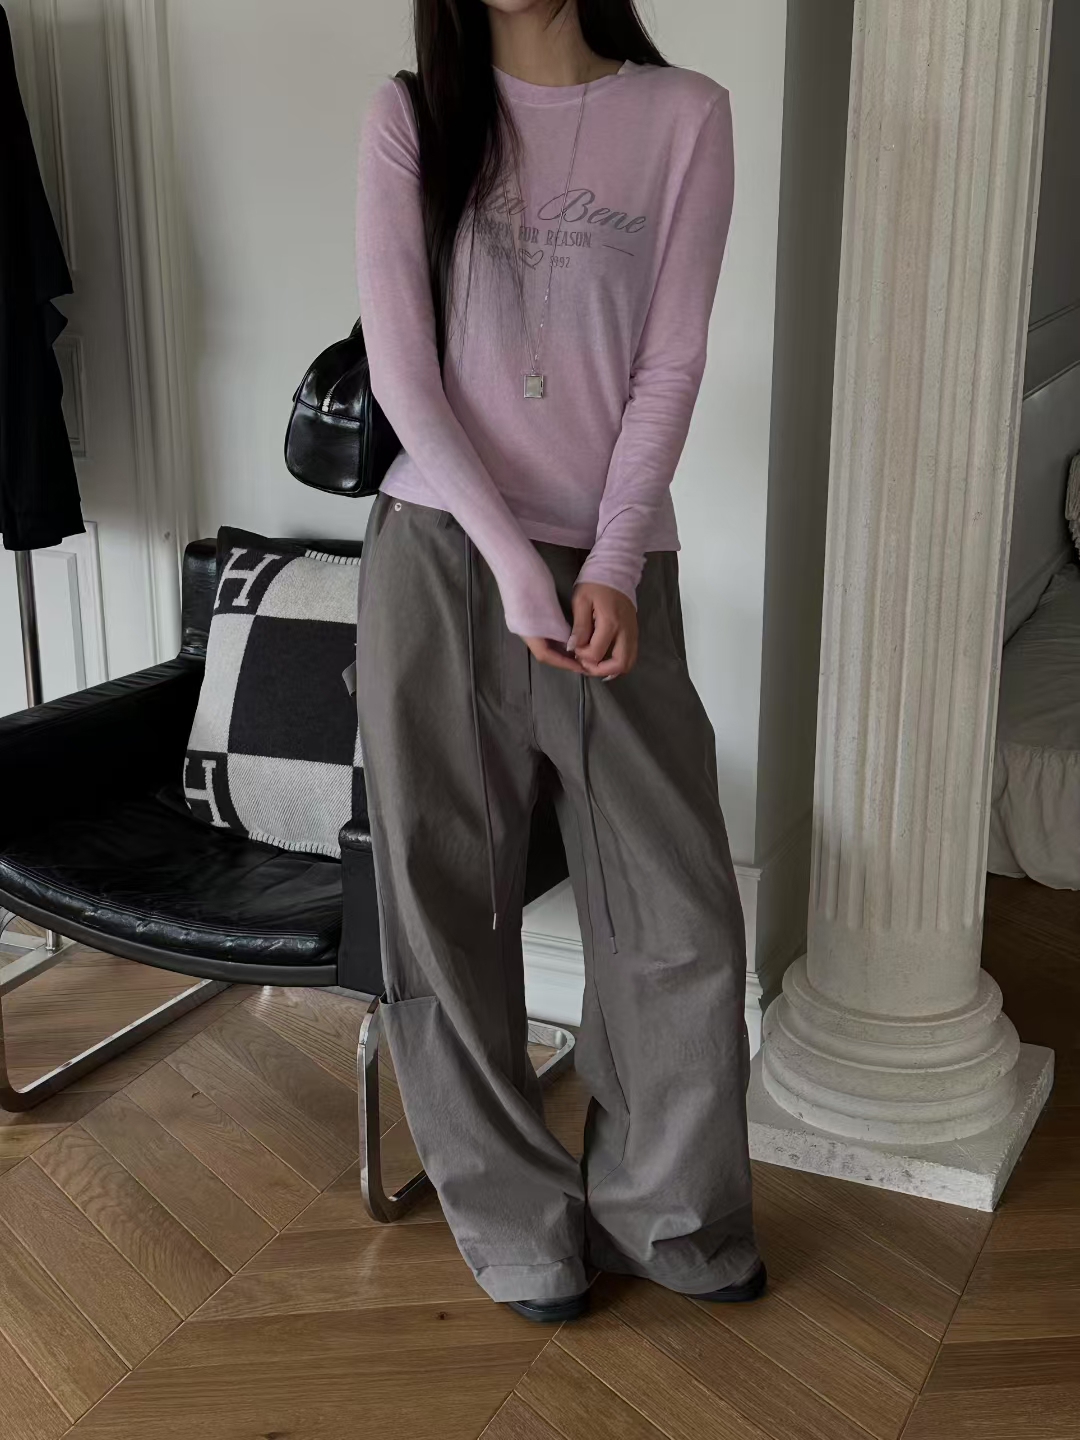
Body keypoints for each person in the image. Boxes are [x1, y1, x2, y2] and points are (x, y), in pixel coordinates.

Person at [354, 0, 763, 1323]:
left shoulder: (684, 114)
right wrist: (513, 563)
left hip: (613, 570)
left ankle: (668, 1211)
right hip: (440, 553)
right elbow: (404, 374)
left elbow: (672, 360)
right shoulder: (414, 116)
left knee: (675, 904)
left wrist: (611, 558)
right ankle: (514, 1219)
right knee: (444, 899)